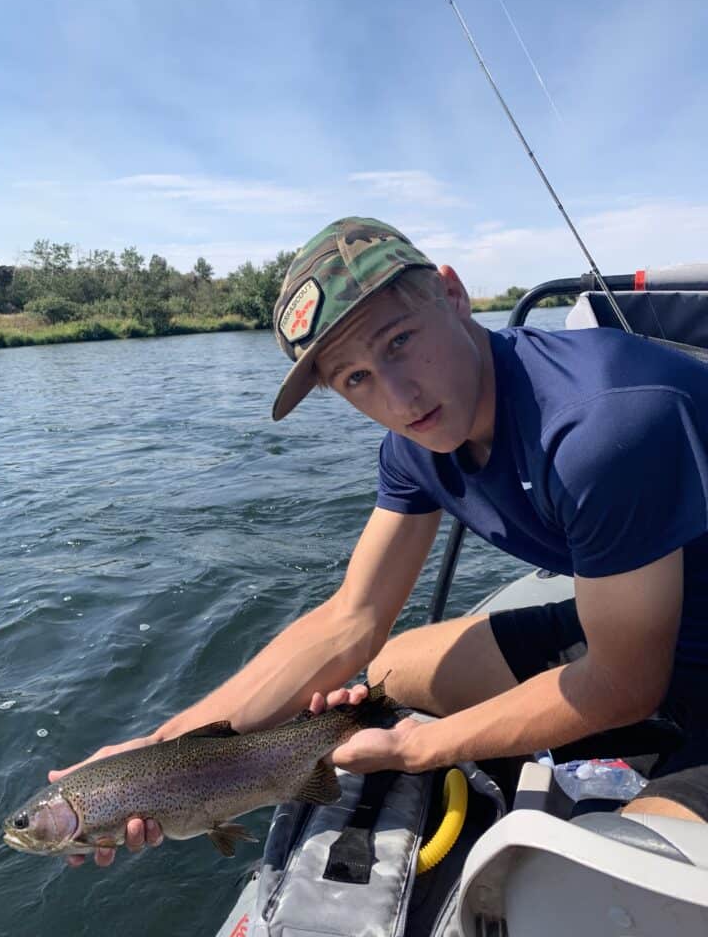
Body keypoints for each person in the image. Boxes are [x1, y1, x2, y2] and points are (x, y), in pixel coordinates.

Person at [52, 216, 708, 867]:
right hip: (667, 626)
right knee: (395, 669)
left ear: (452, 296)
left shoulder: (601, 427)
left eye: (398, 341)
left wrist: (420, 748)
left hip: (649, 659)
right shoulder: (416, 443)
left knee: (618, 889)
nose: (398, 397)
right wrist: (156, 755)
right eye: (355, 379)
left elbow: (624, 683)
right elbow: (351, 619)